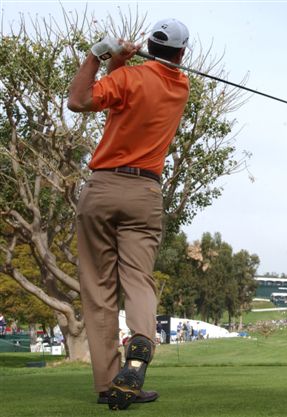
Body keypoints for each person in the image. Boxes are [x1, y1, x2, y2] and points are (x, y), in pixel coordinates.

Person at [68, 18, 190, 410]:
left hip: (103, 188)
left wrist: (99, 54)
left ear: (149, 46)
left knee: (99, 289)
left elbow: (80, 100)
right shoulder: (180, 87)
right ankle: (140, 342)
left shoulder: (129, 79)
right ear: (182, 54)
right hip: (145, 193)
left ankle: (107, 384)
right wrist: (121, 63)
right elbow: (125, 92)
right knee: (138, 279)